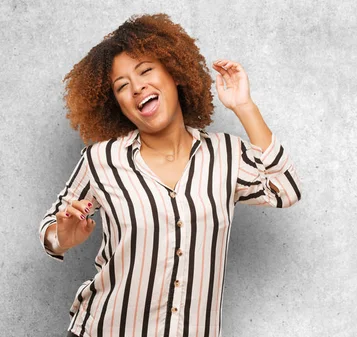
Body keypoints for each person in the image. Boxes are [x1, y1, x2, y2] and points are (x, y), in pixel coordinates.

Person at [38, 13, 301, 337]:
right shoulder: (102, 160)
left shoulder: (226, 155)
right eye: (122, 86)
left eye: (146, 70)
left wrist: (245, 106)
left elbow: (286, 189)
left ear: (173, 72)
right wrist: (63, 236)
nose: (137, 87)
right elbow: (49, 231)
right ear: (116, 104)